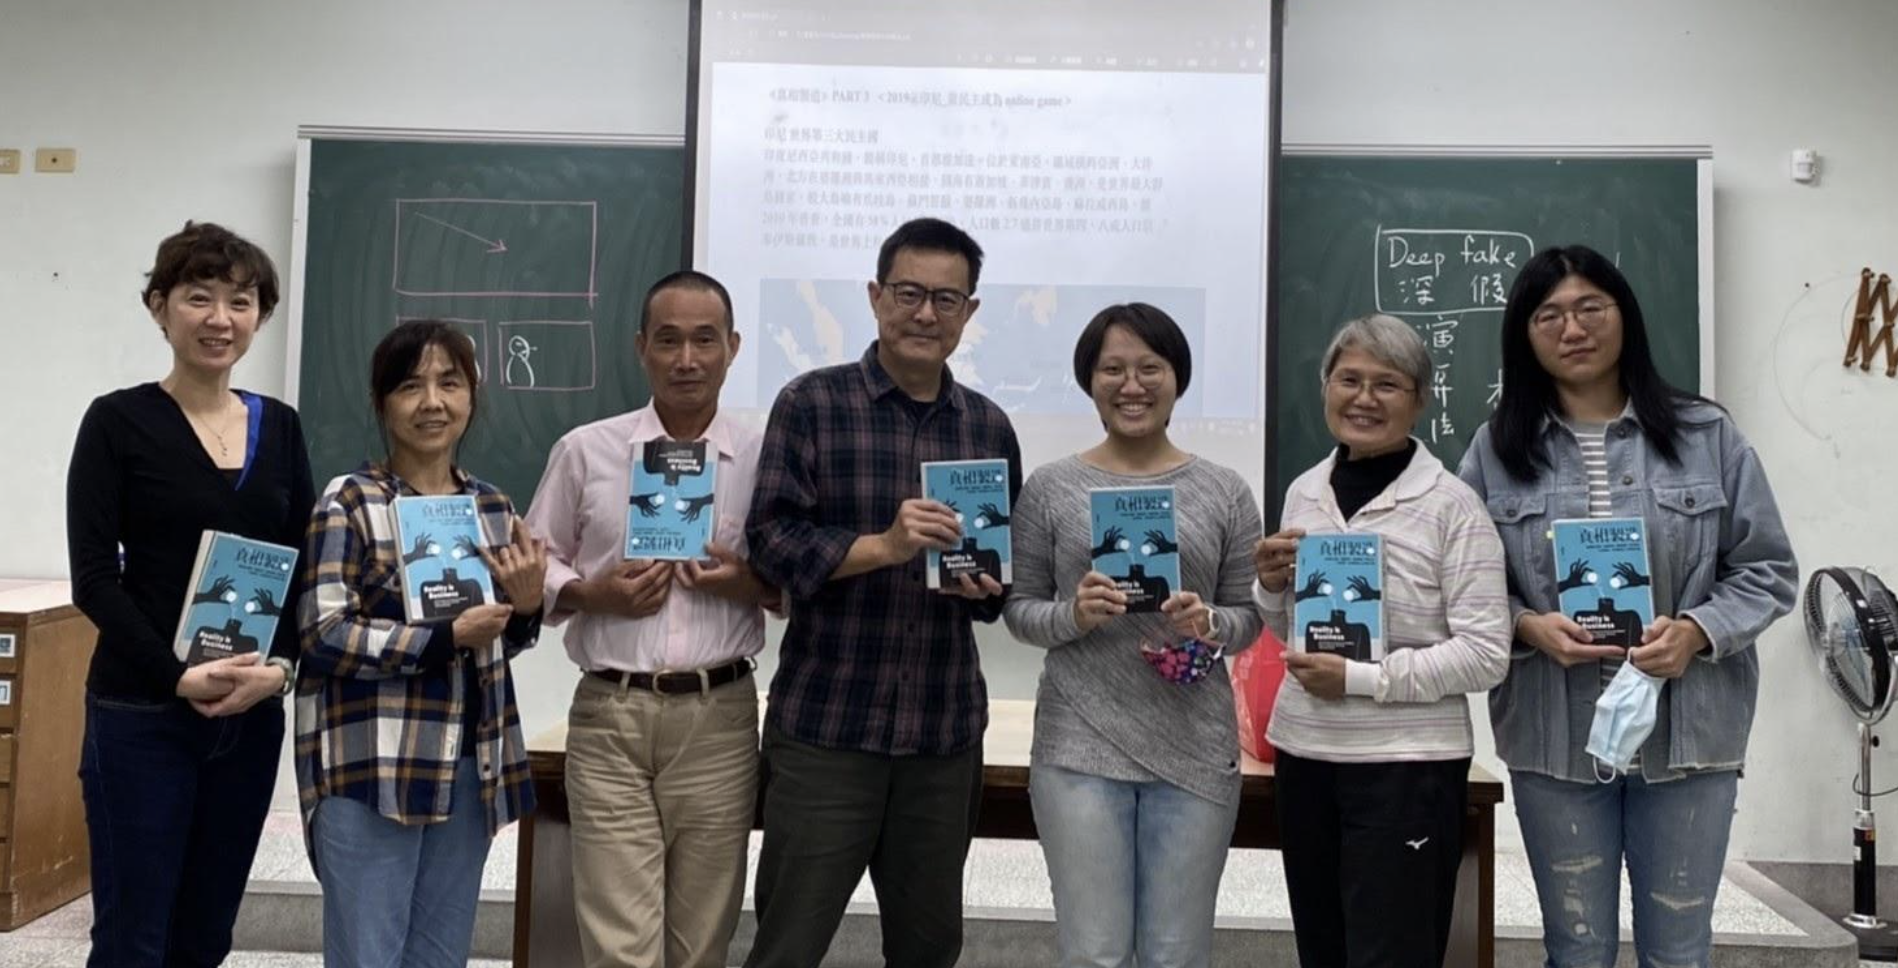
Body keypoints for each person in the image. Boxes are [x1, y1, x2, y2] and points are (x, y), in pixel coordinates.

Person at [1458, 245, 1798, 968]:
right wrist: (1525, 625)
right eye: (1548, 314)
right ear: (1524, 334)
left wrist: (1699, 631)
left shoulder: (1709, 436)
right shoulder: (1495, 450)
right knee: (1575, 950)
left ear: (1624, 317)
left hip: (1691, 732)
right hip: (1555, 732)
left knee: (1678, 950)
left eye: (1590, 309)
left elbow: (1767, 570)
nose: (1571, 328)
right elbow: (1468, 582)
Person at [743, 217, 1022, 968]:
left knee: (929, 950)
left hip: (941, 733)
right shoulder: (811, 403)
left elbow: (1001, 584)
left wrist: (988, 584)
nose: (925, 314)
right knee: (787, 947)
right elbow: (769, 539)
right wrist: (885, 548)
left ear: (969, 313)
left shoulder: (988, 426)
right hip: (828, 730)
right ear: (874, 296)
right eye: (908, 293)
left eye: (945, 298)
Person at [65, 221, 312, 968]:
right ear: (158, 306)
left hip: (247, 712)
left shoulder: (282, 427)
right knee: (134, 938)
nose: (220, 319)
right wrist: (175, 674)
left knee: (206, 935)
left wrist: (282, 669)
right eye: (198, 297)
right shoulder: (117, 421)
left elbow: (305, 566)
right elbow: (94, 579)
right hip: (141, 713)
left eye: (240, 301)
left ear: (260, 316)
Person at [525, 270, 775, 968]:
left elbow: (792, 578)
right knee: (619, 942)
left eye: (704, 340)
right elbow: (533, 562)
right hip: (611, 712)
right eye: (669, 341)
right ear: (641, 348)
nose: (687, 359)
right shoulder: (586, 449)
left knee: (704, 941)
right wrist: (589, 594)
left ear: (733, 347)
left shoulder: (763, 457)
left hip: (718, 714)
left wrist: (744, 583)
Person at [1003, 303, 1263, 968]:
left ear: (1178, 378)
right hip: (1079, 748)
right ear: (1089, 381)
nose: (1132, 384)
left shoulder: (1225, 490)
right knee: (1095, 954)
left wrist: (1209, 622)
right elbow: (1021, 608)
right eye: (1112, 368)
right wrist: (1074, 614)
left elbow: (1249, 616)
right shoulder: (1051, 487)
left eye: (1151, 367)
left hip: (1196, 752)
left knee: (1177, 955)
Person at [1253, 314, 1511, 968]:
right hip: (1306, 755)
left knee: (1390, 954)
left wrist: (1363, 681)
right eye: (1349, 380)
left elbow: (1487, 652)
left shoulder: (1453, 506)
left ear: (1420, 400)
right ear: (1325, 388)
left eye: (1387, 384)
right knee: (1325, 948)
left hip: (1408, 768)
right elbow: (1293, 630)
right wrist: (1269, 587)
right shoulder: (1304, 492)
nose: (1364, 398)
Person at [296, 320, 546, 968]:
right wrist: (440, 638)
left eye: (449, 383)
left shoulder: (490, 506)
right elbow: (322, 635)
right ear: (382, 402)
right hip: (374, 771)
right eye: (411, 386)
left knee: (440, 959)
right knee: (368, 957)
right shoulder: (349, 501)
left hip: (470, 767)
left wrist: (523, 610)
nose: (432, 402)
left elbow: (492, 644)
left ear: (472, 395)